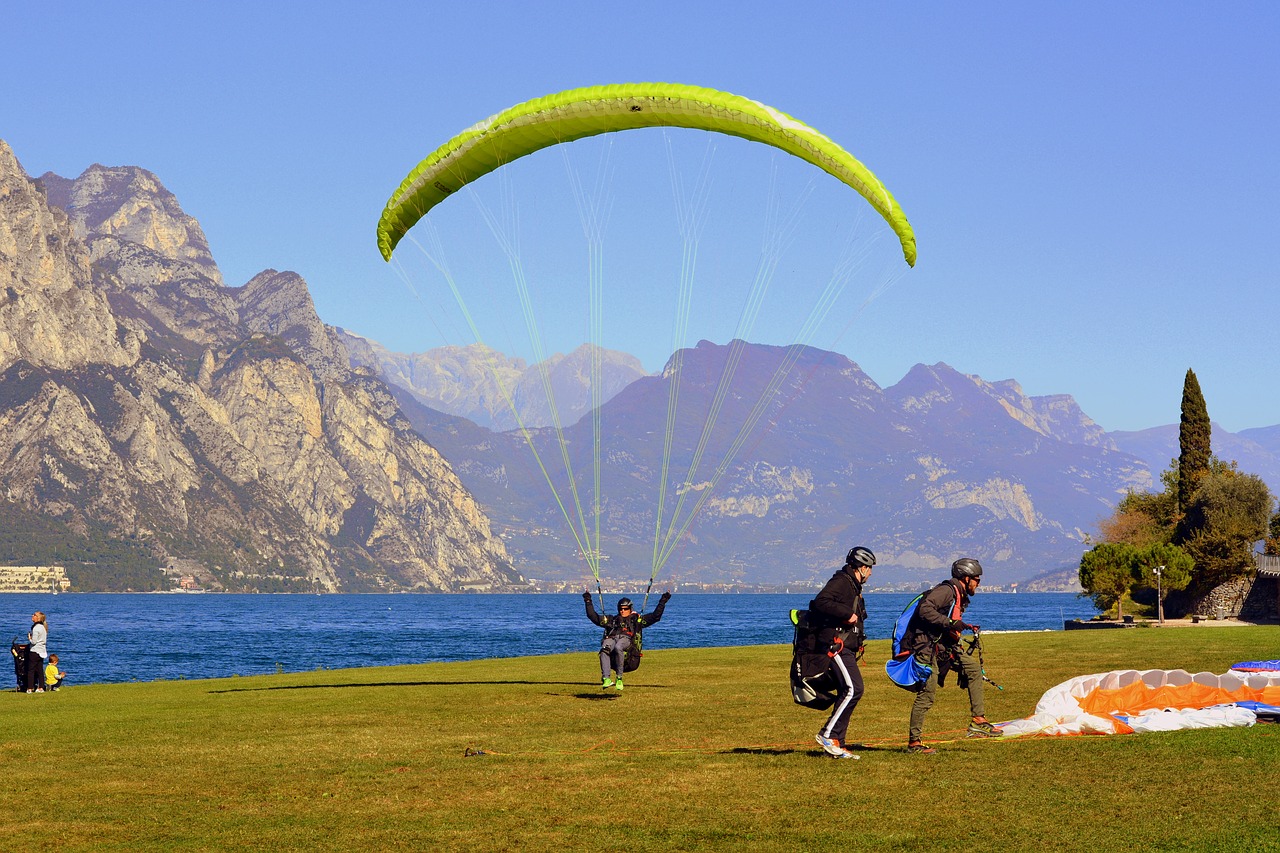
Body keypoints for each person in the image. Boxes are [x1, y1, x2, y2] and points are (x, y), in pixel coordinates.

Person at [902, 558, 1002, 753]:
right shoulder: (946, 591)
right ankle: (914, 743)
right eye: (977, 580)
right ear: (966, 578)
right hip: (926, 646)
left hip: (944, 645)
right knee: (927, 694)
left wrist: (960, 627)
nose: (978, 584)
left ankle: (978, 720)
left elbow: (948, 622)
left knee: (972, 668)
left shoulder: (958, 594)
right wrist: (949, 623)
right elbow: (924, 609)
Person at [808, 546, 875, 759]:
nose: (871, 573)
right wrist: (847, 614)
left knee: (848, 690)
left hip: (845, 646)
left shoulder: (851, 585)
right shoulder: (842, 582)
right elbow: (821, 602)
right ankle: (827, 734)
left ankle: (837, 742)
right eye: (869, 568)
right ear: (861, 567)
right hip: (835, 645)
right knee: (854, 688)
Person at [582, 590, 671, 691]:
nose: (623, 611)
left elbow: (655, 616)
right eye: (621, 609)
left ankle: (619, 678)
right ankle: (606, 678)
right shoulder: (612, 620)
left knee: (618, 646)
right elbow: (593, 616)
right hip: (612, 639)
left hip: (627, 642)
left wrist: (663, 600)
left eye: (625, 609)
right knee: (604, 649)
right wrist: (588, 600)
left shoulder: (636, 621)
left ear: (630, 608)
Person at [25, 611, 48, 693]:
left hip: (35, 651)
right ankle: (41, 687)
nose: (32, 616)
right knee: (40, 670)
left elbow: (34, 642)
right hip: (41, 651)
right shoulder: (43, 627)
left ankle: (30, 688)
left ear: (38, 618)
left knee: (31, 670)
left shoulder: (36, 628)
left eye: (34, 615)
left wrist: (29, 638)